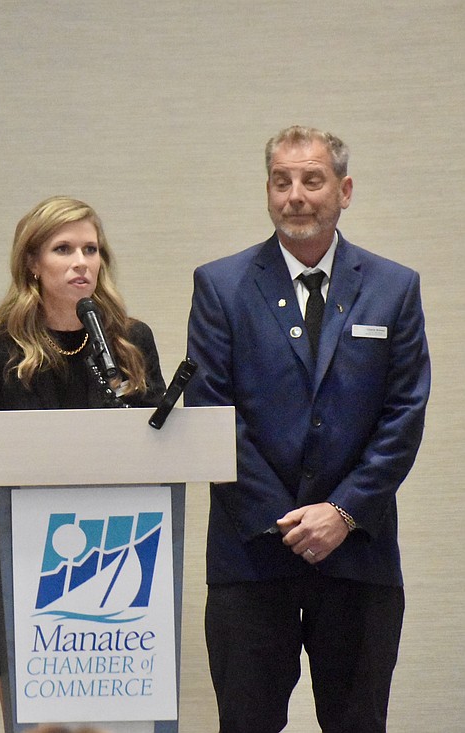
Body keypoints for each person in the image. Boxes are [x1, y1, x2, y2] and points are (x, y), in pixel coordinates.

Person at [185, 125, 431, 733]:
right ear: (267, 191)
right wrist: (286, 521)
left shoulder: (394, 287)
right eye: (281, 181)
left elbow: (403, 415)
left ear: (344, 190)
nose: (295, 195)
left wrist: (341, 514)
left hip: (358, 556)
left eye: (312, 180)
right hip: (253, 554)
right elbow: (211, 410)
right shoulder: (221, 286)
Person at [0, 195, 166, 676]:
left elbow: (159, 444)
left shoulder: (131, 341)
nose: (81, 263)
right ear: (32, 263)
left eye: (90, 250)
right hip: (22, 553)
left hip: (120, 542)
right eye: (63, 249)